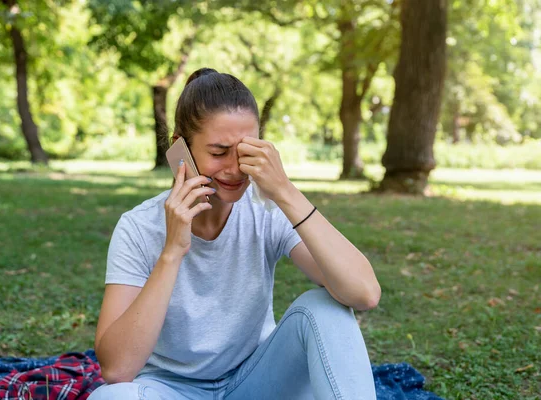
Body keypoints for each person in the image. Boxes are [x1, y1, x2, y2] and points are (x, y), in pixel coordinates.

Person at [88, 68, 381, 400]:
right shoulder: (139, 227)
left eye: (245, 152)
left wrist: (285, 192)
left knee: (324, 306)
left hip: (257, 381)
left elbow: (364, 294)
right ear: (179, 150)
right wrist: (172, 251)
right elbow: (117, 370)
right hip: (169, 390)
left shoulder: (267, 210)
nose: (235, 168)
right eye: (218, 152)